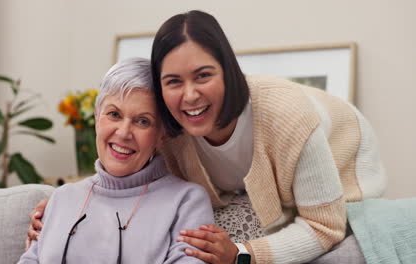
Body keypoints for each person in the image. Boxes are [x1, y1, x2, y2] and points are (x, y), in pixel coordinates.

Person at [28, 10, 386, 264]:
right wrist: (64, 207)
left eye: (203, 75)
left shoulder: (287, 116)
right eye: (173, 81)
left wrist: (243, 255)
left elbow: (324, 226)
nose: (189, 96)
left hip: (346, 159)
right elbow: (123, 169)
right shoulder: (173, 130)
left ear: (228, 70)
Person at [19, 57, 214, 263]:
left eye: (142, 121)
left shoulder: (186, 202)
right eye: (114, 114)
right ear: (96, 118)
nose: (123, 133)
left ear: (161, 135)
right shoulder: (61, 199)